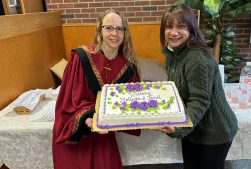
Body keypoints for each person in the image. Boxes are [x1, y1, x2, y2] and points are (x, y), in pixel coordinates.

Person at [52, 9, 141, 169]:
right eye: (109, 28)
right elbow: (68, 100)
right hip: (81, 133)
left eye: (120, 29)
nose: (114, 33)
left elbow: (131, 103)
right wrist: (87, 117)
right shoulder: (81, 58)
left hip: (105, 135)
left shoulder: (128, 68)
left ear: (125, 33)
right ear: (100, 30)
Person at [155, 3, 238, 169]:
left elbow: (199, 100)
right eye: (168, 26)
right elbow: (179, 87)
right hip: (193, 128)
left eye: (181, 26)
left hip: (214, 131)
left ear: (191, 30)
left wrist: (178, 126)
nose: (174, 32)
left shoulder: (197, 59)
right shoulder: (174, 54)